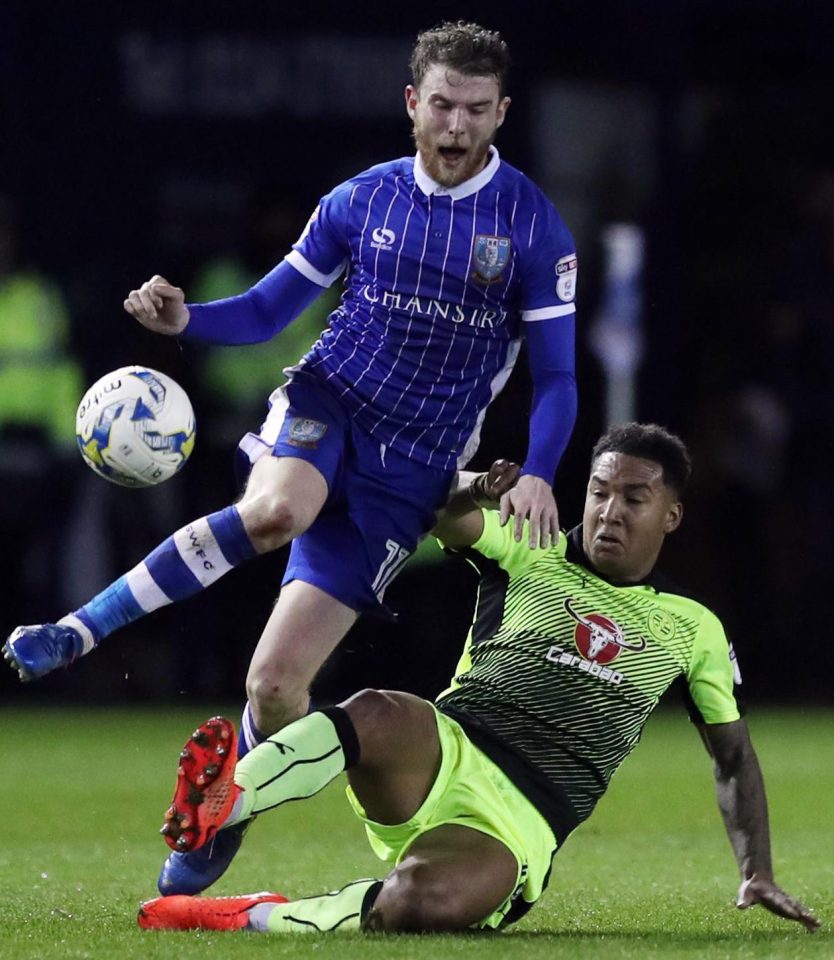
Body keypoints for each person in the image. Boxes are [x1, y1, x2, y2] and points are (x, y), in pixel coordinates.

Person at [3, 22, 578, 895]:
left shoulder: (532, 227)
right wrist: (185, 320)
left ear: (502, 112)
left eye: (476, 110)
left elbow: (560, 377)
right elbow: (272, 310)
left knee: (274, 689)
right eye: (442, 106)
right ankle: (77, 631)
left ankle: (223, 813)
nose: (457, 127)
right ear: (411, 103)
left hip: (412, 467)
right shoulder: (361, 200)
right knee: (277, 511)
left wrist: (538, 467)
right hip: (330, 402)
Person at [137, 423, 819, 935]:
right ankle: (226, 801)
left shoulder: (692, 626)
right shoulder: (532, 544)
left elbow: (733, 758)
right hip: (445, 749)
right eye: (600, 491)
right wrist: (475, 486)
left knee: (419, 904)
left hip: (520, 820)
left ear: (671, 515)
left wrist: (756, 869)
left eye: (634, 498)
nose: (610, 511)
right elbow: (441, 513)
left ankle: (251, 916)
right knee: (376, 708)